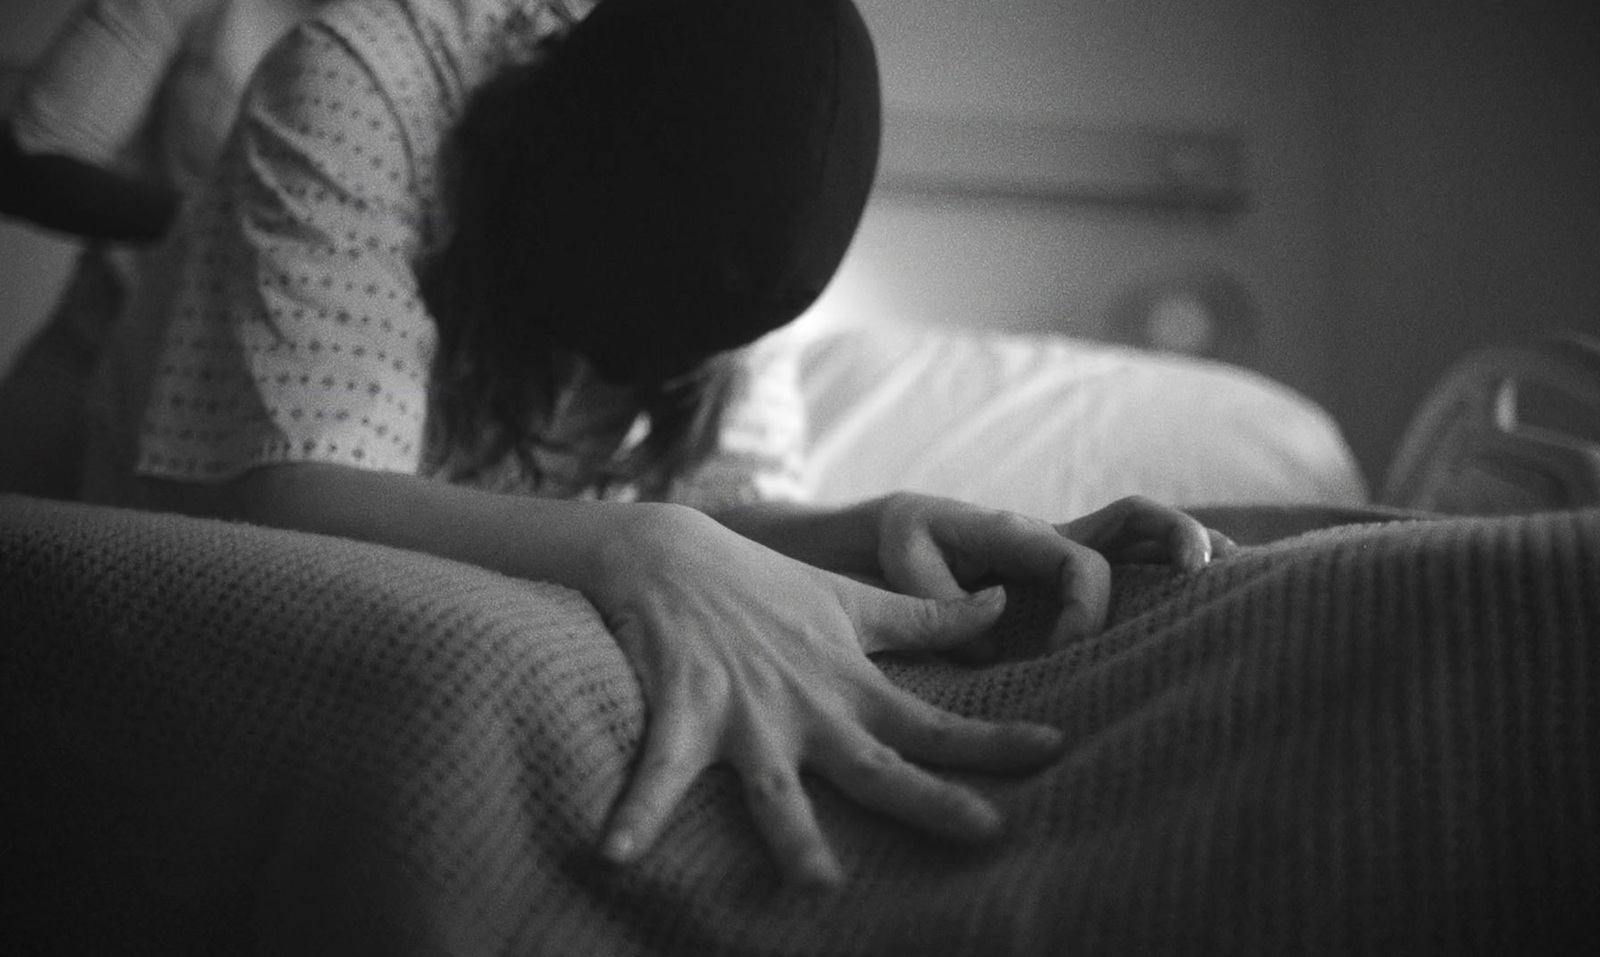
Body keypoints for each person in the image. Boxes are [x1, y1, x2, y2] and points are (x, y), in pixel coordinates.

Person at [82, 0, 1235, 889]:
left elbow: (728, 516)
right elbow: (289, 495)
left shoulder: (749, 220)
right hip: (112, 444)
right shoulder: (364, 78)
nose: (610, 396)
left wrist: (870, 528)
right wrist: (642, 546)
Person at [0, 0, 327, 496]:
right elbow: (31, 160)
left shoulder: (461, 26)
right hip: (97, 355)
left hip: (291, 422)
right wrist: (227, 224)